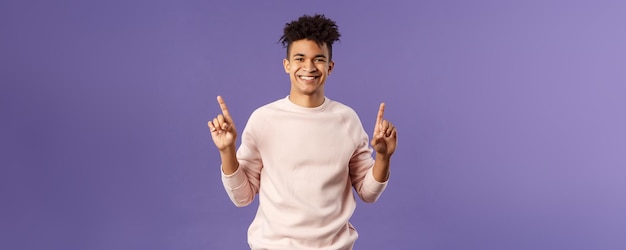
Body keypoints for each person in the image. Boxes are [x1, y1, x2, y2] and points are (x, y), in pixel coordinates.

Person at [208, 14, 398, 250]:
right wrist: (227, 151)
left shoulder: (347, 119)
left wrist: (384, 157)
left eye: (318, 59)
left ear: (330, 67)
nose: (309, 67)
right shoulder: (263, 119)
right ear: (287, 65)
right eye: (300, 58)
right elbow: (242, 197)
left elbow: (368, 193)